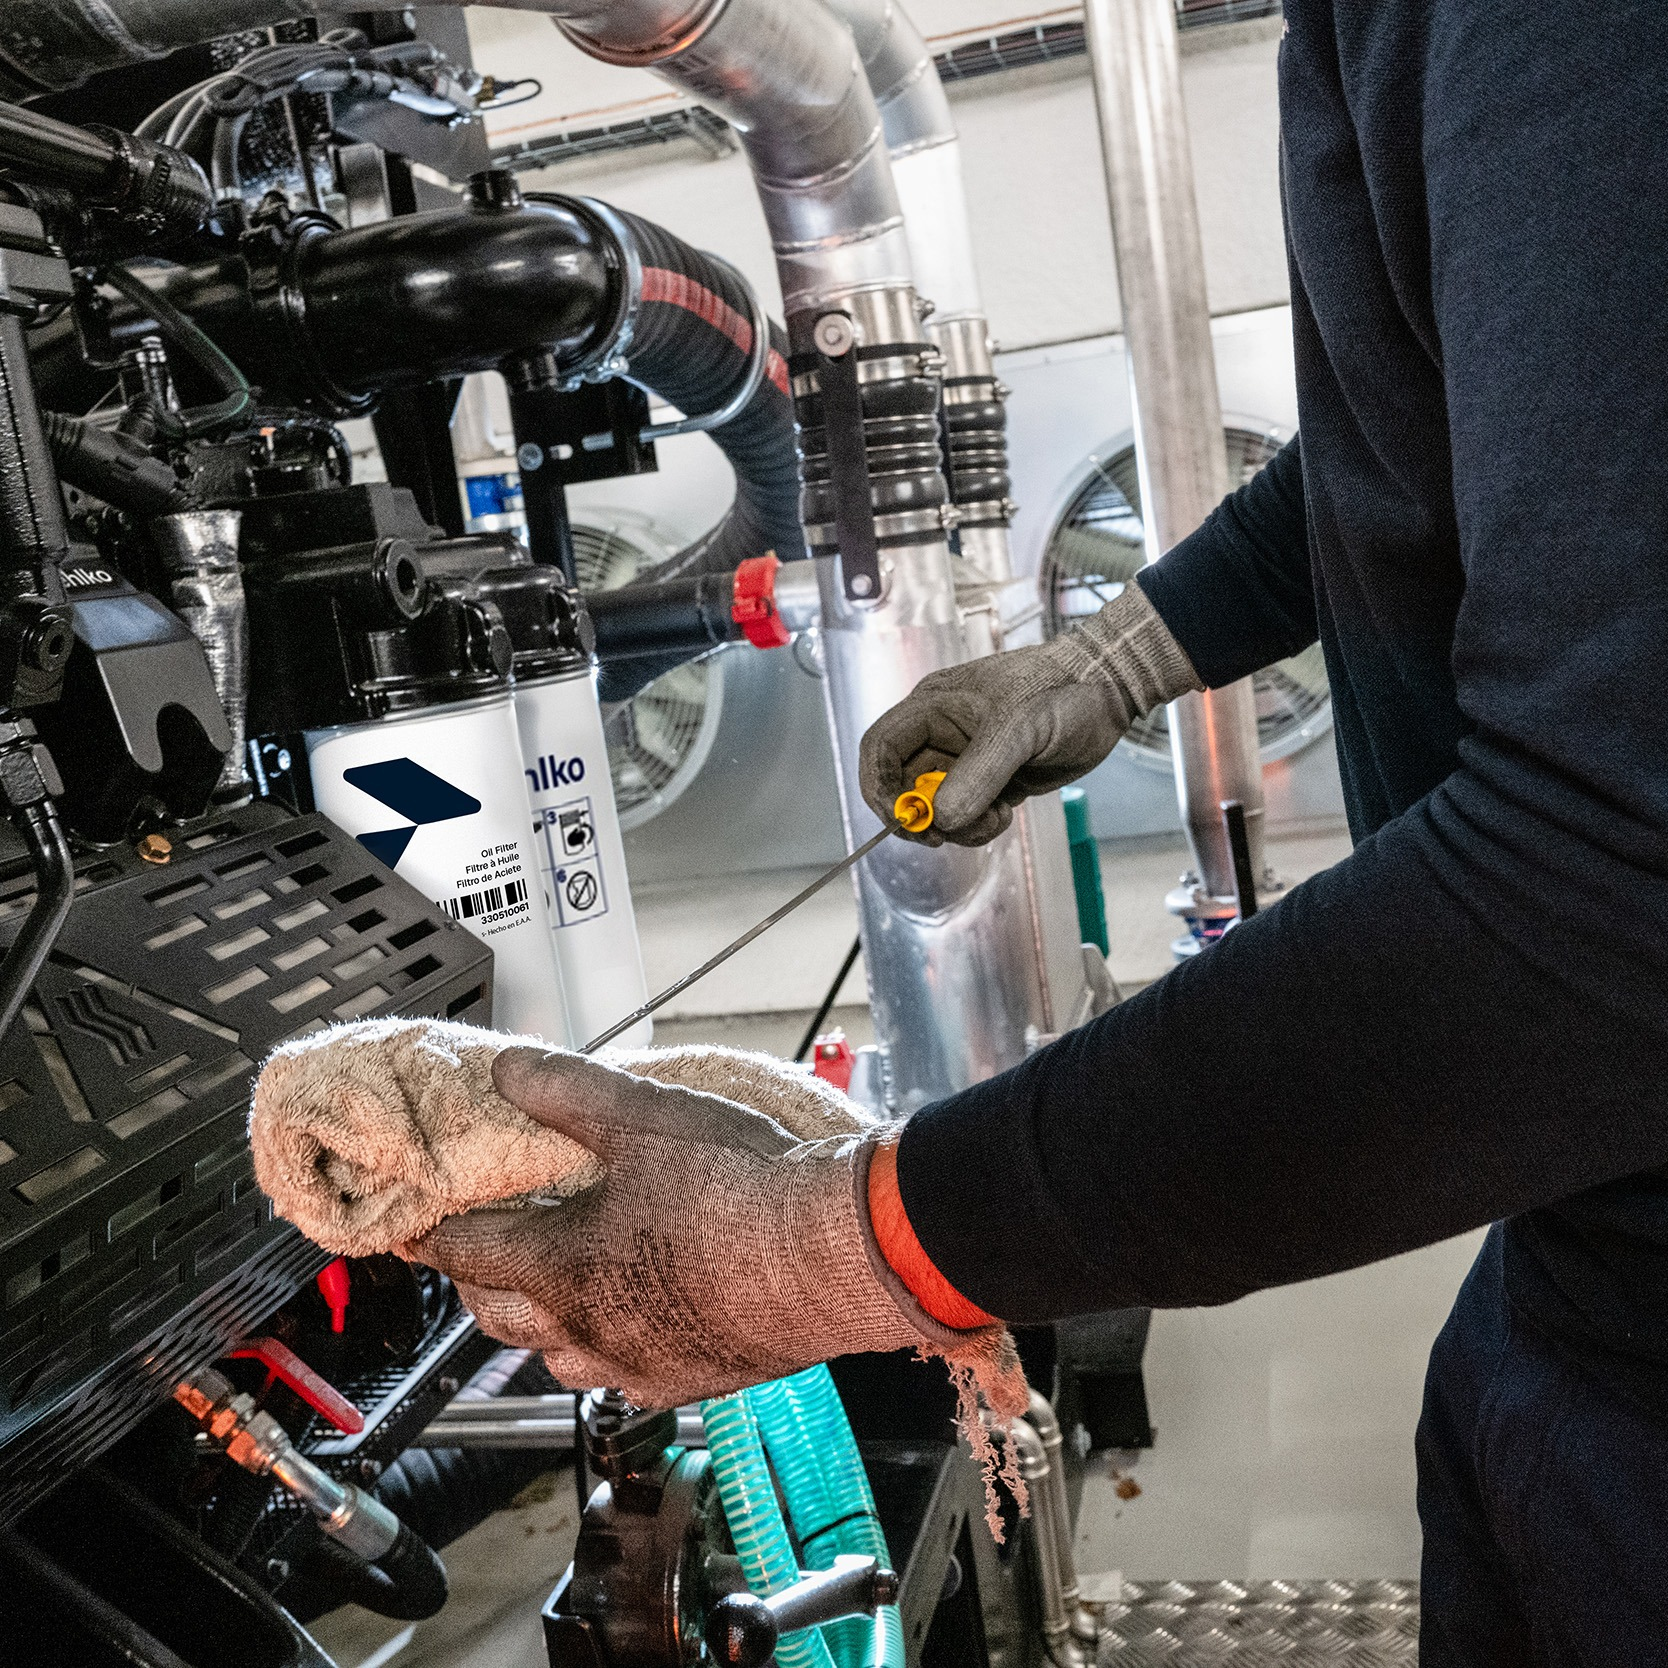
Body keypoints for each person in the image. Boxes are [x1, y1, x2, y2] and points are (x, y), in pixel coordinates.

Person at [414, 2, 1668, 1658]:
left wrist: (826, 1246)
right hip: (1582, 1265)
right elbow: (1425, 424)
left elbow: (1615, 878)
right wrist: (1129, 647)